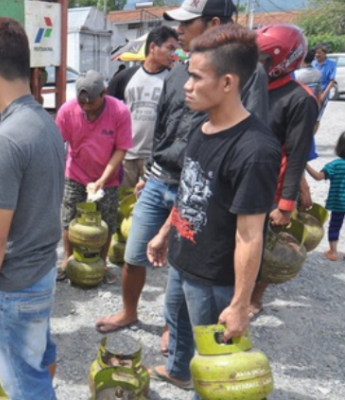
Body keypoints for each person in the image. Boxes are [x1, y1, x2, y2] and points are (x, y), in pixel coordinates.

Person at [94, 0, 269, 344]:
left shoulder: (248, 75)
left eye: (186, 25)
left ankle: (175, 329)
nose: (178, 31)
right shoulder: (179, 69)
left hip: (202, 184)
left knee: (189, 266)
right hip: (163, 175)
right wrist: (149, 168)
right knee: (135, 253)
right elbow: (163, 121)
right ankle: (132, 311)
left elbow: (250, 133)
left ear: (213, 23)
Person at [145, 24, 281, 397]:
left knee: (215, 371)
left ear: (227, 83)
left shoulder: (254, 151)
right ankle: (176, 371)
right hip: (183, 258)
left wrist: (240, 304)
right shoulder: (200, 128)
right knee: (178, 325)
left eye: (196, 76)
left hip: (216, 281)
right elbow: (190, 193)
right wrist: (163, 234)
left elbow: (250, 234)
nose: (186, 84)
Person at [0, 17, 64, 400]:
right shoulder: (45, 122)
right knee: (38, 356)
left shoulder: (3, 140)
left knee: (22, 384)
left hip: (17, 285)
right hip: (42, 271)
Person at [249, 23, 319, 317]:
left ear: (283, 60)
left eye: (264, 59)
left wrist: (287, 203)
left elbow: (297, 154)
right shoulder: (248, 86)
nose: (258, 64)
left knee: (263, 244)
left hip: (271, 188)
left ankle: (255, 295)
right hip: (241, 181)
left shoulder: (300, 99)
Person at [56, 70, 132, 282]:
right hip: (75, 173)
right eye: (82, 104)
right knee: (69, 217)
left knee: (105, 220)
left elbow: (121, 149)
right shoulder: (67, 111)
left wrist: (103, 179)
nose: (86, 108)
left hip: (108, 176)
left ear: (104, 93)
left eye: (91, 103)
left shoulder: (119, 112)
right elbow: (56, 144)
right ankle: (67, 259)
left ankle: (102, 262)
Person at [107, 26, 179, 189]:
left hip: (155, 160)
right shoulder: (125, 77)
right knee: (122, 206)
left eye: (174, 49)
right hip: (125, 156)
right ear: (153, 47)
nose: (173, 54)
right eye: (170, 48)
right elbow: (108, 116)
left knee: (149, 210)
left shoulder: (173, 80)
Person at [305, 132, 345, 261]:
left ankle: (333, 252)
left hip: (338, 203)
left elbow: (318, 177)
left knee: (335, 225)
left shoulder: (335, 165)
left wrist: (304, 164)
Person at [294, 49, 323, 163]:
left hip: (299, 105)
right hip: (313, 103)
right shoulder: (318, 73)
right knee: (308, 130)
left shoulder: (297, 74)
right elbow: (319, 92)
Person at [312, 43, 337, 116]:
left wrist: (323, 95)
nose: (317, 54)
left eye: (319, 53)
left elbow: (331, 81)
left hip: (323, 95)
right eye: (316, 52)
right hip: (311, 95)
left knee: (317, 117)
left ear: (325, 53)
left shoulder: (331, 64)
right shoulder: (313, 63)